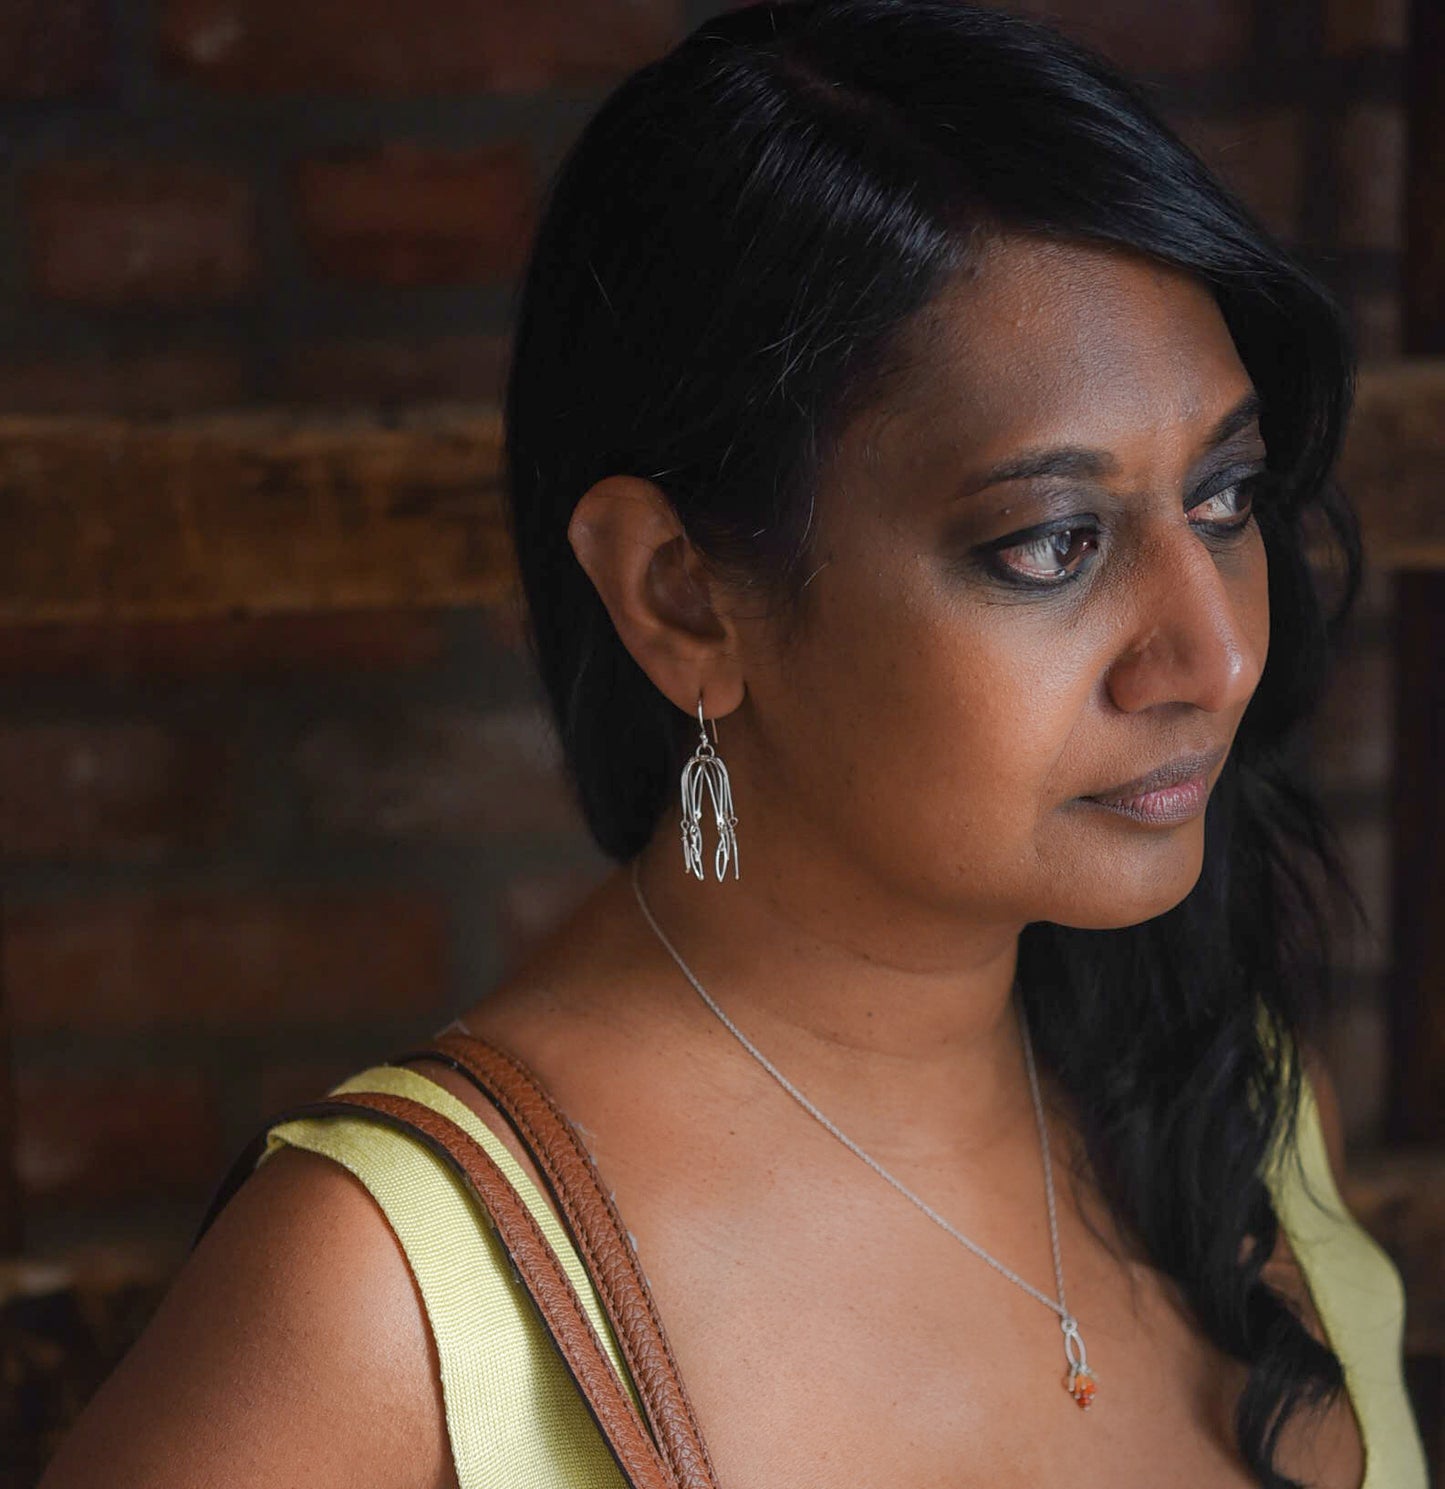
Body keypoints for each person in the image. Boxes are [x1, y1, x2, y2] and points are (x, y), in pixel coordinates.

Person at [38, 3, 1429, 1487]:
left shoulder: (1239, 1116)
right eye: (1050, 543)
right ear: (681, 597)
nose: (1215, 654)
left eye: (1222, 500)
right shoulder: (386, 1305)